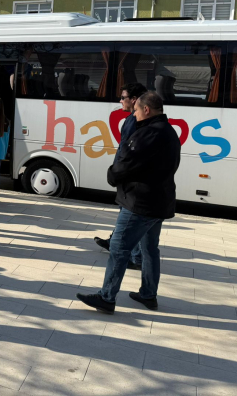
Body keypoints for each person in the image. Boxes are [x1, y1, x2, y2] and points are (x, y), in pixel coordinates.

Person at [76, 92, 181, 314]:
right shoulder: (169, 131)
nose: (134, 114)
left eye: (136, 110)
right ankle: (148, 294)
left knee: (118, 247)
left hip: (140, 202)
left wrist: (112, 175)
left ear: (146, 110)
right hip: (159, 201)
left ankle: (107, 297)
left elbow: (126, 164)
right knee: (150, 249)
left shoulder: (148, 133)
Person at [93, 82, 149, 270]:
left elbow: (127, 151)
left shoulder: (133, 121)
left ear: (134, 100)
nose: (120, 101)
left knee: (131, 215)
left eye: (123, 97)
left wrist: (118, 171)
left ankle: (136, 257)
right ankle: (114, 242)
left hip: (128, 176)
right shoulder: (135, 120)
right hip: (127, 175)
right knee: (125, 213)